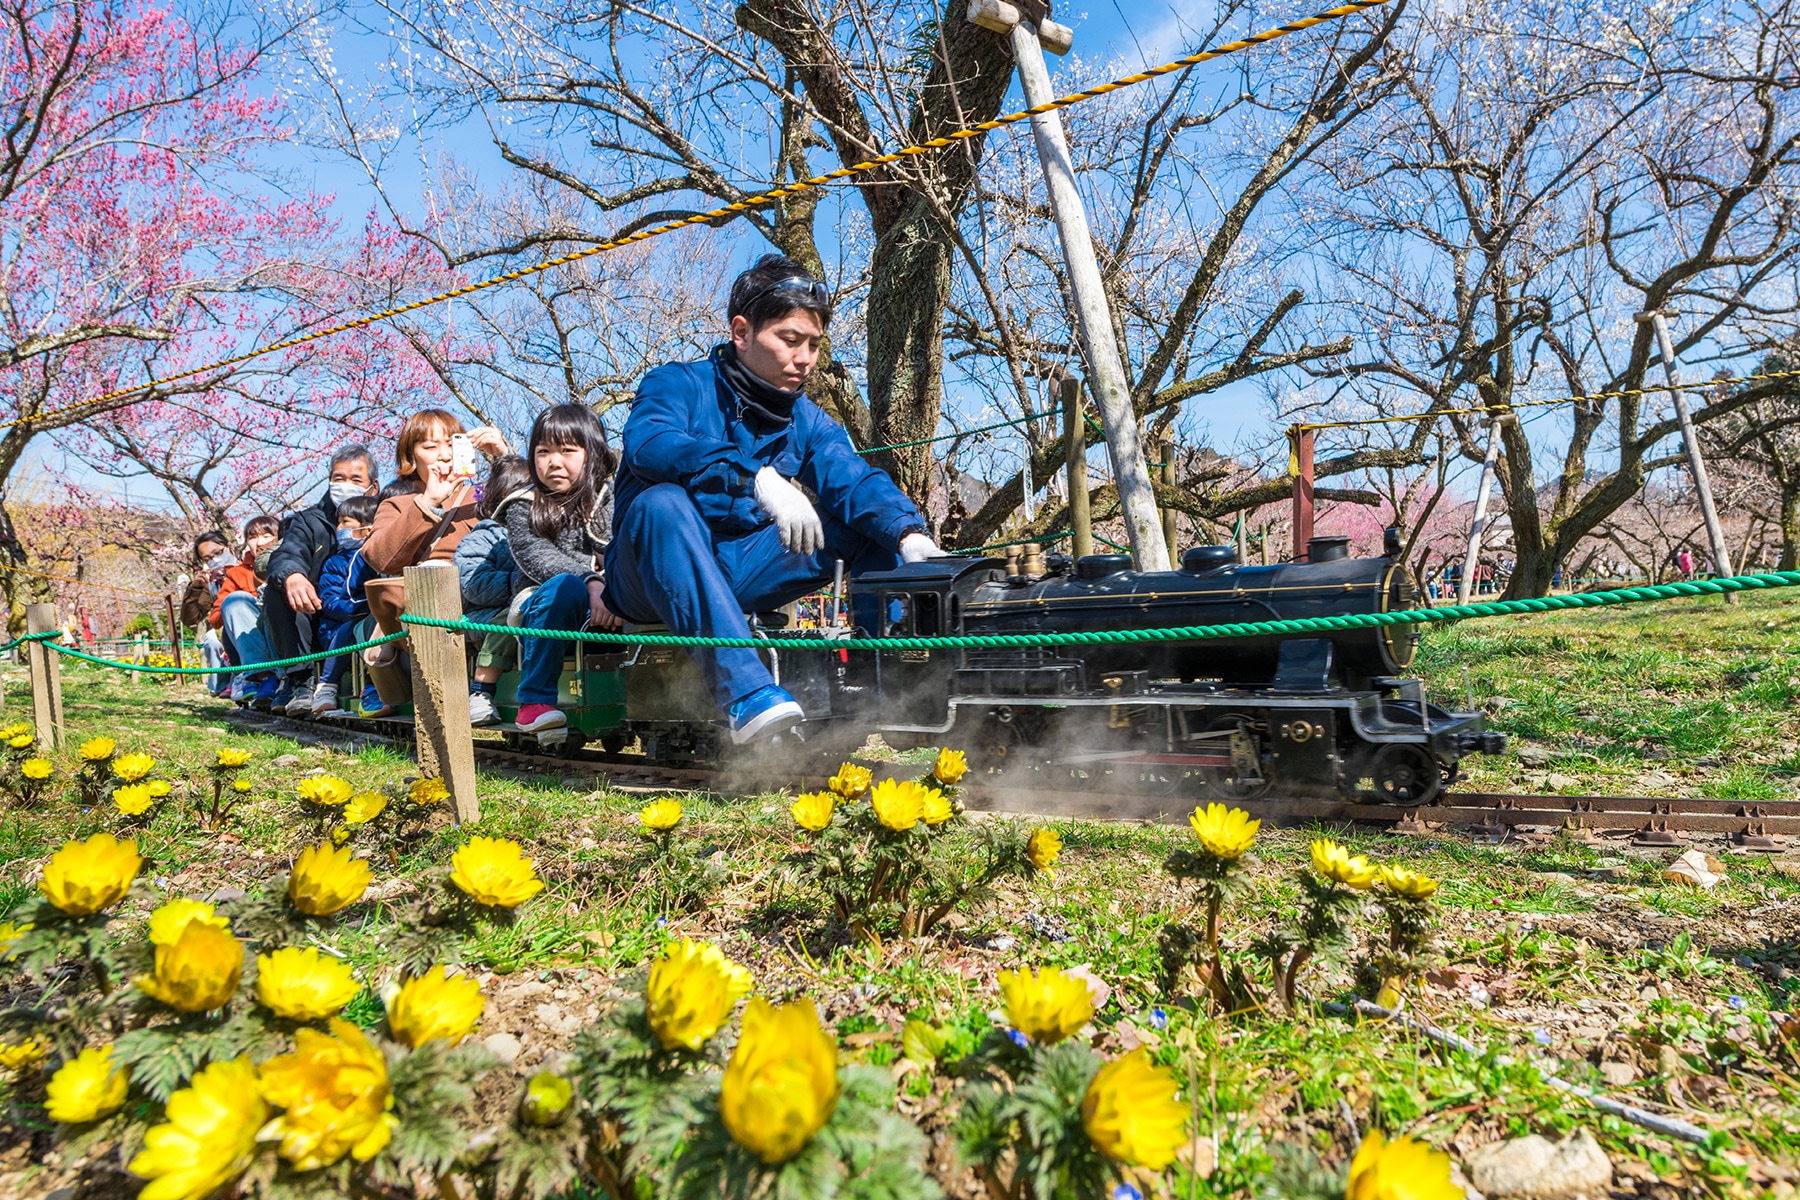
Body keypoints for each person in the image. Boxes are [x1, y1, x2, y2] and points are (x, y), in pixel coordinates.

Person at [605, 254, 944, 743]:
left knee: (869, 528)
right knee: (661, 503)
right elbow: (649, 445)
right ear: (741, 332)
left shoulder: (807, 420)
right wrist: (755, 476)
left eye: (813, 345)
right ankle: (747, 695)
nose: (805, 358)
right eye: (789, 340)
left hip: (741, 565)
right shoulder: (675, 383)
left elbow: (851, 479)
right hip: (647, 573)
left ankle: (893, 692)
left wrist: (910, 535)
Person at [358, 410, 508, 705]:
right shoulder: (397, 504)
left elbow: (533, 508)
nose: (443, 455)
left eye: (452, 444)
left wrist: (503, 458)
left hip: (480, 593)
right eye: (429, 447)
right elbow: (378, 557)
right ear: (410, 458)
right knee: (432, 569)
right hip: (418, 610)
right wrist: (427, 502)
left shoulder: (483, 495)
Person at [505, 406, 619, 734]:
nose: (554, 461)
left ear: (593, 454)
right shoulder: (522, 503)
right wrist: (591, 581)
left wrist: (613, 587)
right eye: (543, 452)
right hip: (544, 600)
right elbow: (537, 556)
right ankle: (534, 701)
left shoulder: (607, 497)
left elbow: (618, 547)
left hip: (606, 596)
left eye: (567, 450)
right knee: (565, 586)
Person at [263, 444, 380, 715]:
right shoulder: (308, 521)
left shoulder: (384, 514)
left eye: (355, 479)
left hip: (367, 613)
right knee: (278, 588)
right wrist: (293, 576)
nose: (345, 485)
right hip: (318, 614)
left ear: (372, 487)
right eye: (338, 478)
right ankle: (300, 680)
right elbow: (286, 553)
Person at [454, 454, 534, 725]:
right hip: (484, 618)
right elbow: (473, 585)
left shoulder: (539, 533)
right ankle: (481, 691)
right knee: (510, 618)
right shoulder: (484, 538)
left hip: (525, 606)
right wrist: (516, 582)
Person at [309, 495, 380, 718]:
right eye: (338, 522)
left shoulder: (378, 555)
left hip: (367, 619)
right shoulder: (335, 562)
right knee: (351, 629)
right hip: (336, 627)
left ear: (369, 527)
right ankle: (327, 685)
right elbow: (329, 602)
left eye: (345, 522)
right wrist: (361, 608)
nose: (339, 528)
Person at [209, 515, 281, 706]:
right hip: (252, 636)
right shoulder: (237, 573)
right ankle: (262, 675)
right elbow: (216, 618)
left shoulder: (294, 562)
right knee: (236, 600)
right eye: (252, 537)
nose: (259, 543)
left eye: (267, 535)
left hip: (283, 630)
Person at [180, 530, 235, 694]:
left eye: (218, 553)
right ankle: (221, 682)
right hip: (226, 636)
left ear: (229, 547)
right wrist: (195, 589)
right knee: (211, 638)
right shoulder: (211, 583)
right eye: (207, 559)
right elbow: (190, 619)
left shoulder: (250, 566)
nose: (215, 560)